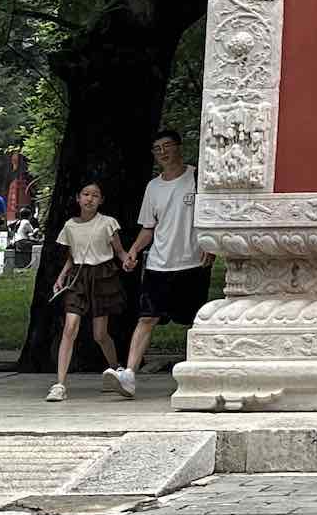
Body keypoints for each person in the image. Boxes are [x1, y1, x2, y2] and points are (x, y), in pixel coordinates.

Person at [115, 130, 203, 390]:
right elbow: (149, 227)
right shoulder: (153, 187)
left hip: (192, 261)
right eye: (157, 149)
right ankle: (129, 374)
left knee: (196, 320)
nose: (163, 152)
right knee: (147, 318)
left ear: (179, 147)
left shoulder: (197, 177)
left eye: (167, 146)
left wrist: (210, 245)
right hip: (158, 264)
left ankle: (199, 374)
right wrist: (133, 250)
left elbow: (211, 215)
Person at [42, 181, 132, 402]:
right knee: (70, 327)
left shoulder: (108, 223)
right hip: (78, 279)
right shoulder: (70, 226)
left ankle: (116, 372)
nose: (90, 198)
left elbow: (119, 251)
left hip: (103, 276)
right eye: (86, 194)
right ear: (78, 198)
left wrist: (128, 260)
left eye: (95, 195)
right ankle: (60, 384)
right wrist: (61, 277)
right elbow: (72, 257)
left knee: (100, 334)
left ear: (101, 200)